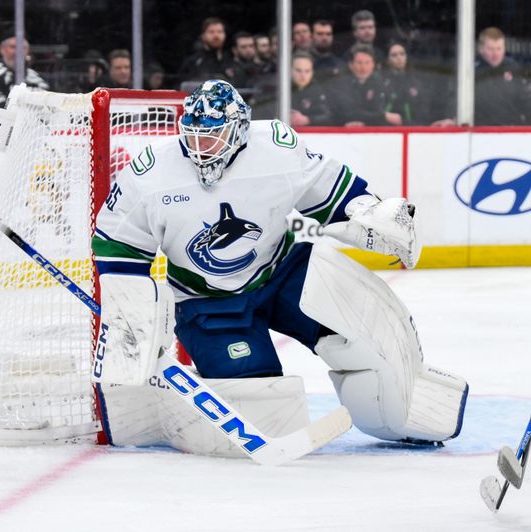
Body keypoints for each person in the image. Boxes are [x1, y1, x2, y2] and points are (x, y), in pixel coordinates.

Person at [91, 79, 468, 447]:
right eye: (191, 136)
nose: (199, 148)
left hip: (284, 273)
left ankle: (394, 420)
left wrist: (370, 212)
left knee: (366, 341)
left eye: (210, 136)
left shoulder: (274, 146)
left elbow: (333, 190)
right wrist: (130, 311)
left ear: (238, 130)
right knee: (260, 401)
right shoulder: (152, 172)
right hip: (207, 302)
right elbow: (115, 242)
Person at [0, 29, 48, 125]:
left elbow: (47, 110)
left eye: (23, 48)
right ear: (1, 49)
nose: (18, 52)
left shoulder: (37, 78)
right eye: (13, 47)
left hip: (30, 133)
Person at [330, 44, 400, 126]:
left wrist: (378, 117)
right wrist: (383, 116)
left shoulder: (379, 82)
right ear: (351, 65)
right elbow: (349, 113)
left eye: (367, 62)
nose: (363, 67)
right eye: (359, 63)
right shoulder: (341, 83)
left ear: (373, 64)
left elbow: (379, 109)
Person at [474, 27, 531, 125]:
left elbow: (525, 102)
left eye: (499, 49)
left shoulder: (514, 69)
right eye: (490, 49)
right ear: (481, 49)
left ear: (504, 49)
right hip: (480, 132)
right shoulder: (470, 72)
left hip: (511, 131)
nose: (495, 54)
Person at [382, 41, 431, 125]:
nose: (399, 57)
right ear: (388, 60)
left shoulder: (416, 83)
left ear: (406, 57)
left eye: (402, 54)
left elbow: (423, 113)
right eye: (394, 55)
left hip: (413, 130)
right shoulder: (381, 82)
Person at [177, 17, 235, 85]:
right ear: (203, 36)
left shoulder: (231, 60)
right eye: (211, 32)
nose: (216, 36)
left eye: (220, 32)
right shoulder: (192, 62)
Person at [290, 52, 331, 126]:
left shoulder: (320, 91)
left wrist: (308, 120)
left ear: (312, 72)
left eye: (307, 71)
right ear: (290, 71)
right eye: (298, 71)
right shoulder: (279, 91)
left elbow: (329, 116)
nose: (303, 76)